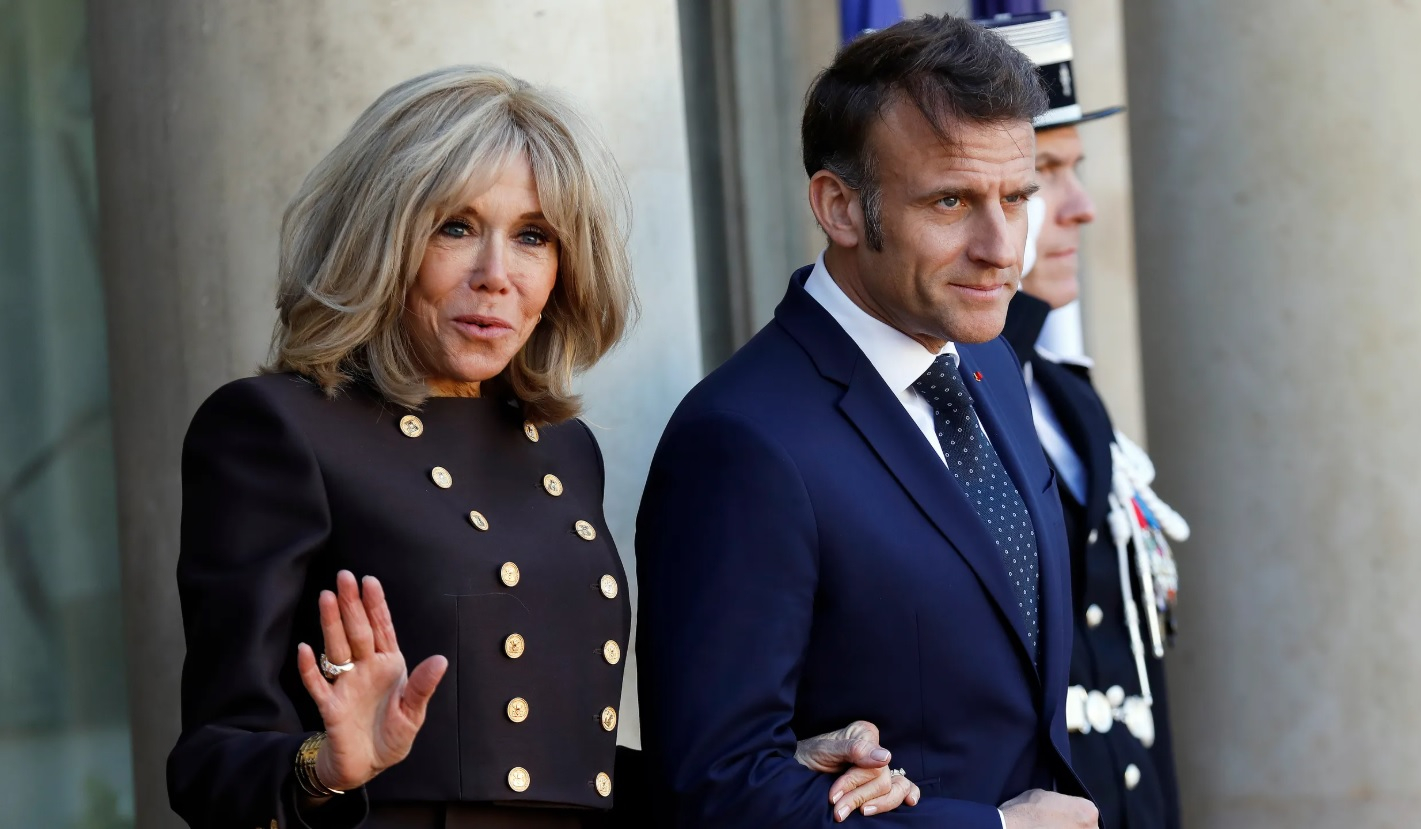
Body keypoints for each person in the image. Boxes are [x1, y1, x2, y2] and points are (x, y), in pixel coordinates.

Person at [636, 15, 1098, 829]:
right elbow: (715, 787)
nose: (1001, 248)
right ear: (839, 207)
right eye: (951, 201)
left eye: (1015, 197)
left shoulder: (987, 363)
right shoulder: (740, 442)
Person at [165, 65, 643, 829]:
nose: (496, 276)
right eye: (454, 227)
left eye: (532, 236)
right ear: (380, 237)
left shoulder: (565, 448)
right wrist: (323, 767)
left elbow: (555, 764)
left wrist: (764, 773)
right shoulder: (275, 429)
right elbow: (212, 759)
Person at [987, 11, 1188, 829]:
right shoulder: (933, 412)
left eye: (1074, 169)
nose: (1080, 207)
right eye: (1042, 174)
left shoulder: (1066, 393)